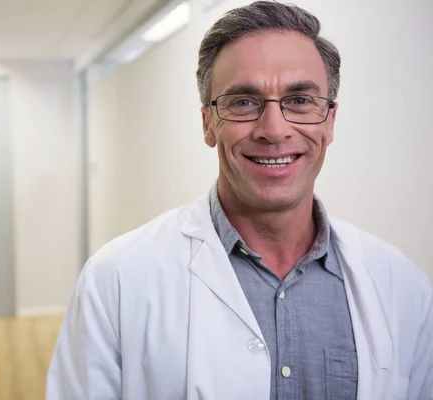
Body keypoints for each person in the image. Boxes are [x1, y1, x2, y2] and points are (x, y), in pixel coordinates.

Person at [46, 1, 433, 399]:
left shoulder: (402, 287)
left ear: (329, 122)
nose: (274, 129)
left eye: (300, 100)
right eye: (244, 102)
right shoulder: (116, 280)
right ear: (208, 124)